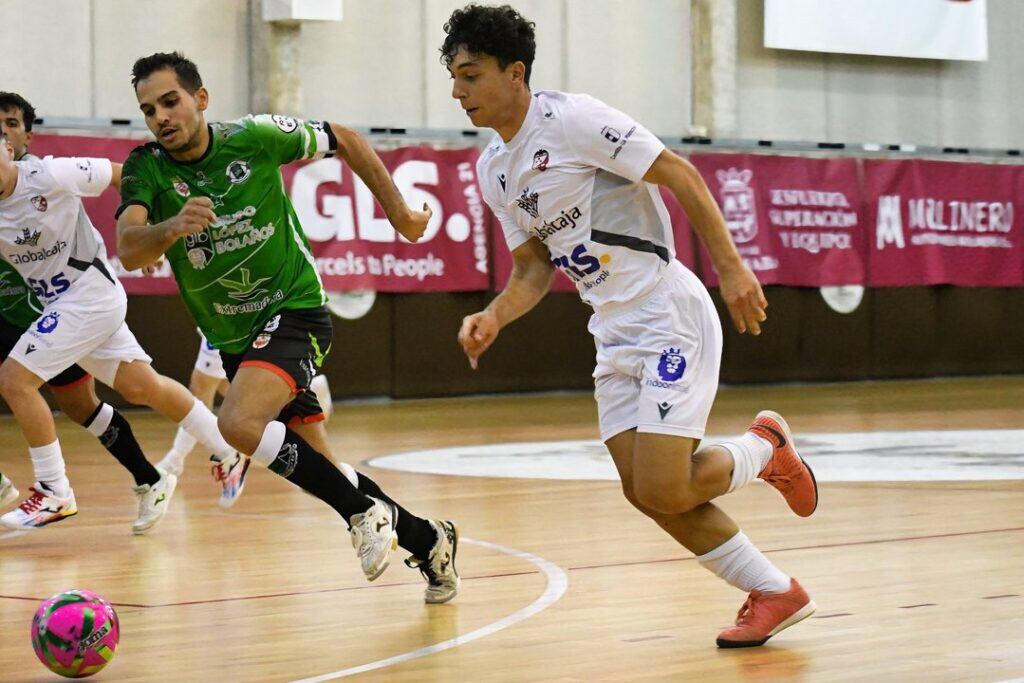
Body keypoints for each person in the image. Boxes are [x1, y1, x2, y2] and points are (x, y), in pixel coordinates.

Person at [444, 4, 818, 646]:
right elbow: (534, 267)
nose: (459, 91)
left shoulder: (574, 120)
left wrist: (730, 268)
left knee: (667, 483)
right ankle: (775, 591)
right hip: (611, 328)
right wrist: (494, 316)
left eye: (471, 75)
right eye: (454, 77)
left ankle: (765, 449)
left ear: (515, 73)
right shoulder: (493, 170)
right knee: (644, 491)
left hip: (667, 312)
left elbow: (679, 172)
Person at [116, 52, 458, 600]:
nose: (160, 116)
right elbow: (129, 249)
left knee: (237, 425)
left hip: (294, 309)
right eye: (148, 108)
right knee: (320, 466)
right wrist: (171, 226)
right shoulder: (146, 168)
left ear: (201, 99)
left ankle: (361, 515)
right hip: (234, 339)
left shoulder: (254, 137)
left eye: (170, 101)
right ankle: (429, 539)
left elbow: (343, 137)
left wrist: (395, 211)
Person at [0, 92, 244, 522]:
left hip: (89, 294)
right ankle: (227, 450)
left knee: (15, 379)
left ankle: (54, 489)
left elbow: (122, 173)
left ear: (10, 147)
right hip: (61, 304)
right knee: (140, 387)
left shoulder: (50, 174)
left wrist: (150, 234)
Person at [157, 328, 333, 494]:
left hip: (228, 314)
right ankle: (307, 392)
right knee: (229, 386)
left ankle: (176, 460)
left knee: (202, 386)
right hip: (230, 314)